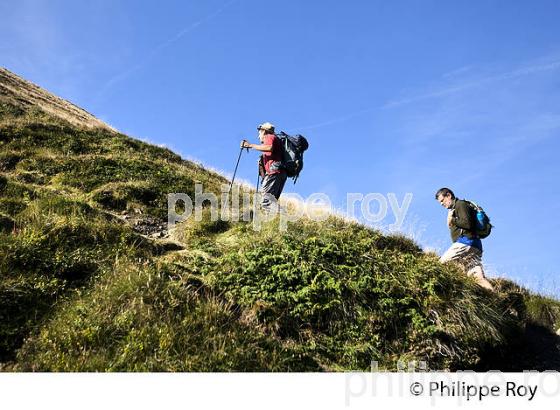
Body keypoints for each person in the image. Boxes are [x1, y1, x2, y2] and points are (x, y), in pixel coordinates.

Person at [435, 187, 494, 291]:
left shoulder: (460, 204)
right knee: (478, 278)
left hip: (466, 243)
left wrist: (452, 220)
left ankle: (438, 291)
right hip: (475, 246)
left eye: (442, 200)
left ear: (448, 195)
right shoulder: (454, 209)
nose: (441, 204)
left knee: (439, 265)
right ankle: (495, 299)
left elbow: (467, 224)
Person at [241, 122, 287, 210]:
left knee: (266, 202)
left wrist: (250, 145)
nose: (259, 135)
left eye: (259, 132)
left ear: (264, 131)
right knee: (271, 202)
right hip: (281, 172)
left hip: (274, 171)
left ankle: (284, 218)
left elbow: (269, 147)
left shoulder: (269, 136)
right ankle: (280, 219)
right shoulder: (277, 140)